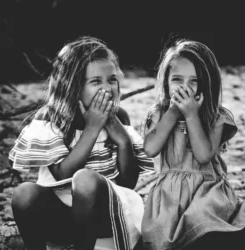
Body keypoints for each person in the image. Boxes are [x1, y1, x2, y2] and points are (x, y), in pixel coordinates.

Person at [9, 36, 154, 250]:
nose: (107, 88)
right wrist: (92, 129)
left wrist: (123, 141)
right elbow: (62, 174)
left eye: (112, 79)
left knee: (86, 179)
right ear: (73, 85)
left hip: (107, 218)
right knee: (24, 192)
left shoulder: (119, 117)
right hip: (62, 218)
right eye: (96, 81)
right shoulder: (50, 118)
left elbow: (127, 185)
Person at [141, 39, 245, 250]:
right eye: (177, 79)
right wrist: (172, 113)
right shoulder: (159, 113)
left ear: (207, 84)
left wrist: (191, 115)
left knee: (200, 217)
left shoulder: (216, 117)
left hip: (206, 191)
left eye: (194, 81)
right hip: (170, 195)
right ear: (166, 82)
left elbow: (203, 155)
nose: (184, 87)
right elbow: (150, 149)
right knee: (161, 236)